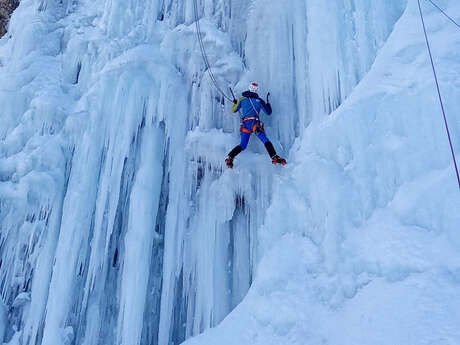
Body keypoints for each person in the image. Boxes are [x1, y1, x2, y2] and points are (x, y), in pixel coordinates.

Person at [225, 82, 286, 168]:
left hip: (245, 124)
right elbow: (268, 112)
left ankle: (230, 157)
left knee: (242, 145)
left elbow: (234, 110)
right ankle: (274, 156)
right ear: (256, 91)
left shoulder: (242, 99)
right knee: (265, 140)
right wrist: (268, 105)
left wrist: (236, 103)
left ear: (249, 88)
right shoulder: (259, 100)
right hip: (254, 123)